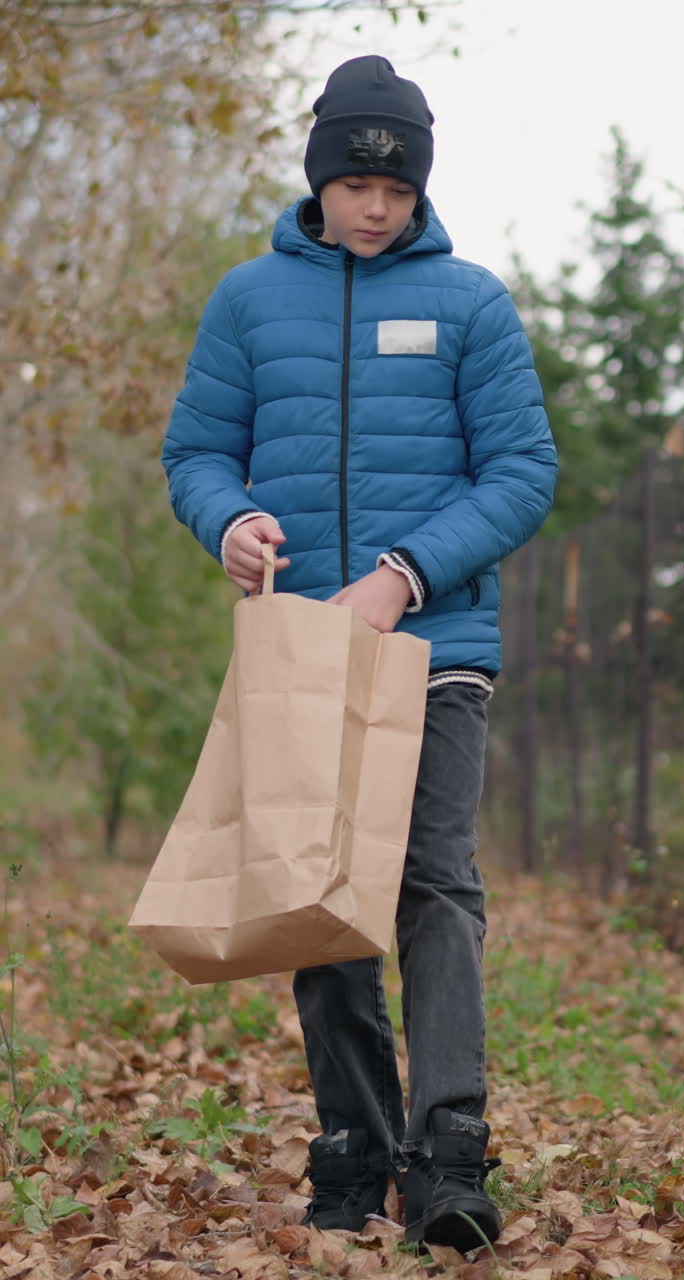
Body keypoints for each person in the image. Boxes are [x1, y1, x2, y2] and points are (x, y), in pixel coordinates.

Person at [162, 55, 557, 1254]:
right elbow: (195, 452)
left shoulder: (473, 304)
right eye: (353, 179)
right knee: (317, 886)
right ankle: (353, 1140)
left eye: (395, 185)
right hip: (301, 650)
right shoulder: (246, 302)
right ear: (319, 177)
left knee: (433, 883)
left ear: (420, 189)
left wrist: (402, 575)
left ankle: (450, 1152)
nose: (374, 204)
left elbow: (525, 473)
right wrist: (227, 520)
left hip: (435, 643)